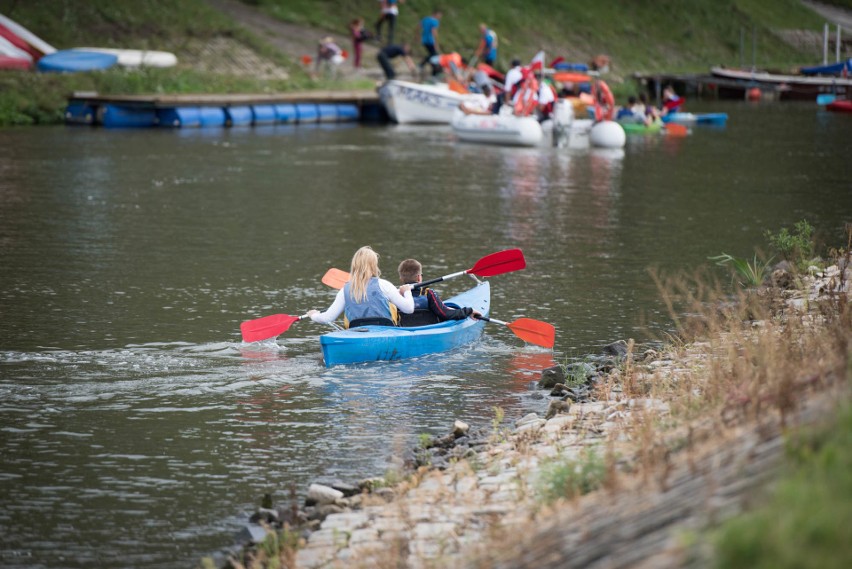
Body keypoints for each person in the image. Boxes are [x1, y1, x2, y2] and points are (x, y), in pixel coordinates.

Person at [308, 246, 414, 328]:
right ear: (374, 265)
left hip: (357, 334)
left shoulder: (345, 290)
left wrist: (314, 315)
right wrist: (406, 292)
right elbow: (409, 309)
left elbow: (327, 318)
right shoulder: (384, 285)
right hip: (385, 333)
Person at [397, 259, 481, 327]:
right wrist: (469, 311)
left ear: (401, 279)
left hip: (404, 331)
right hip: (429, 332)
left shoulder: (395, 295)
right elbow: (445, 314)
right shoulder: (428, 293)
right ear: (419, 277)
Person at [418, 8, 442, 76]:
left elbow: (419, 26)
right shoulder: (435, 21)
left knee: (432, 54)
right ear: (436, 15)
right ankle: (432, 70)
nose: (439, 18)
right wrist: (436, 43)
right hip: (431, 40)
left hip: (424, 39)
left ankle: (432, 69)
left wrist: (418, 36)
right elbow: (434, 32)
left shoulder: (425, 19)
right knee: (433, 55)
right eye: (439, 16)